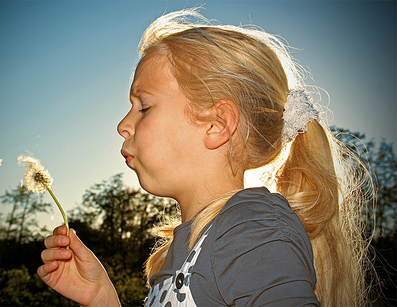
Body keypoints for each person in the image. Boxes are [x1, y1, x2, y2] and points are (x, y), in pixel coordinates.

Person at [38, 9, 370, 307]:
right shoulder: (197, 244)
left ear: (216, 125)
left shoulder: (251, 229)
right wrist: (101, 299)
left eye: (144, 106)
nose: (123, 125)